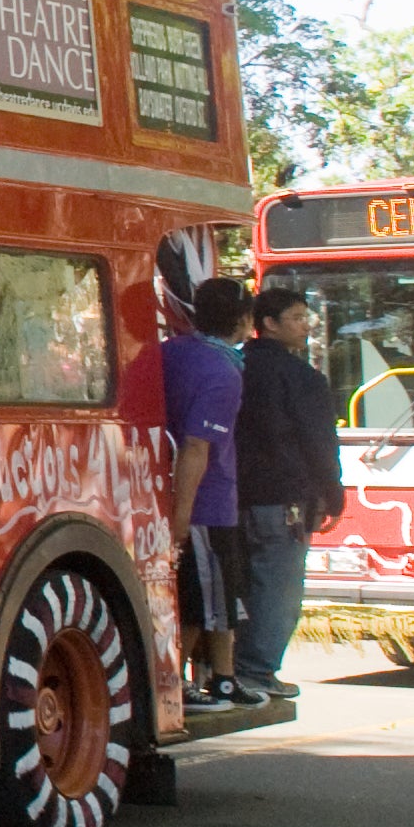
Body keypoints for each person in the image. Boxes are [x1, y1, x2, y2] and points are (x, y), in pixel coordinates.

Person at [236, 282, 336, 702]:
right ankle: (257, 669)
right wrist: (332, 493)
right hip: (284, 500)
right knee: (278, 587)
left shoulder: (234, 366)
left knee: (242, 584)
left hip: (233, 498)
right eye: (296, 318)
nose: (305, 326)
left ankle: (228, 668)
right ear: (269, 324)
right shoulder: (301, 377)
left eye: (305, 317)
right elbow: (319, 442)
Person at [168, 276, 254, 708]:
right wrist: (182, 514)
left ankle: (224, 677)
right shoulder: (223, 373)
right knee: (200, 599)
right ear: (243, 321)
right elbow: (197, 446)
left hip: (203, 495)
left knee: (221, 595)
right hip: (207, 499)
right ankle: (176, 684)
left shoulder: (172, 352)